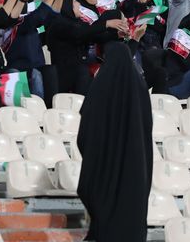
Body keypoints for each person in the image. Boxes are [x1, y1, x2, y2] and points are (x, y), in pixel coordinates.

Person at [77, 42, 152, 242]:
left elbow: (85, 132)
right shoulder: (140, 89)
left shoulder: (100, 85)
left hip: (105, 176)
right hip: (136, 176)